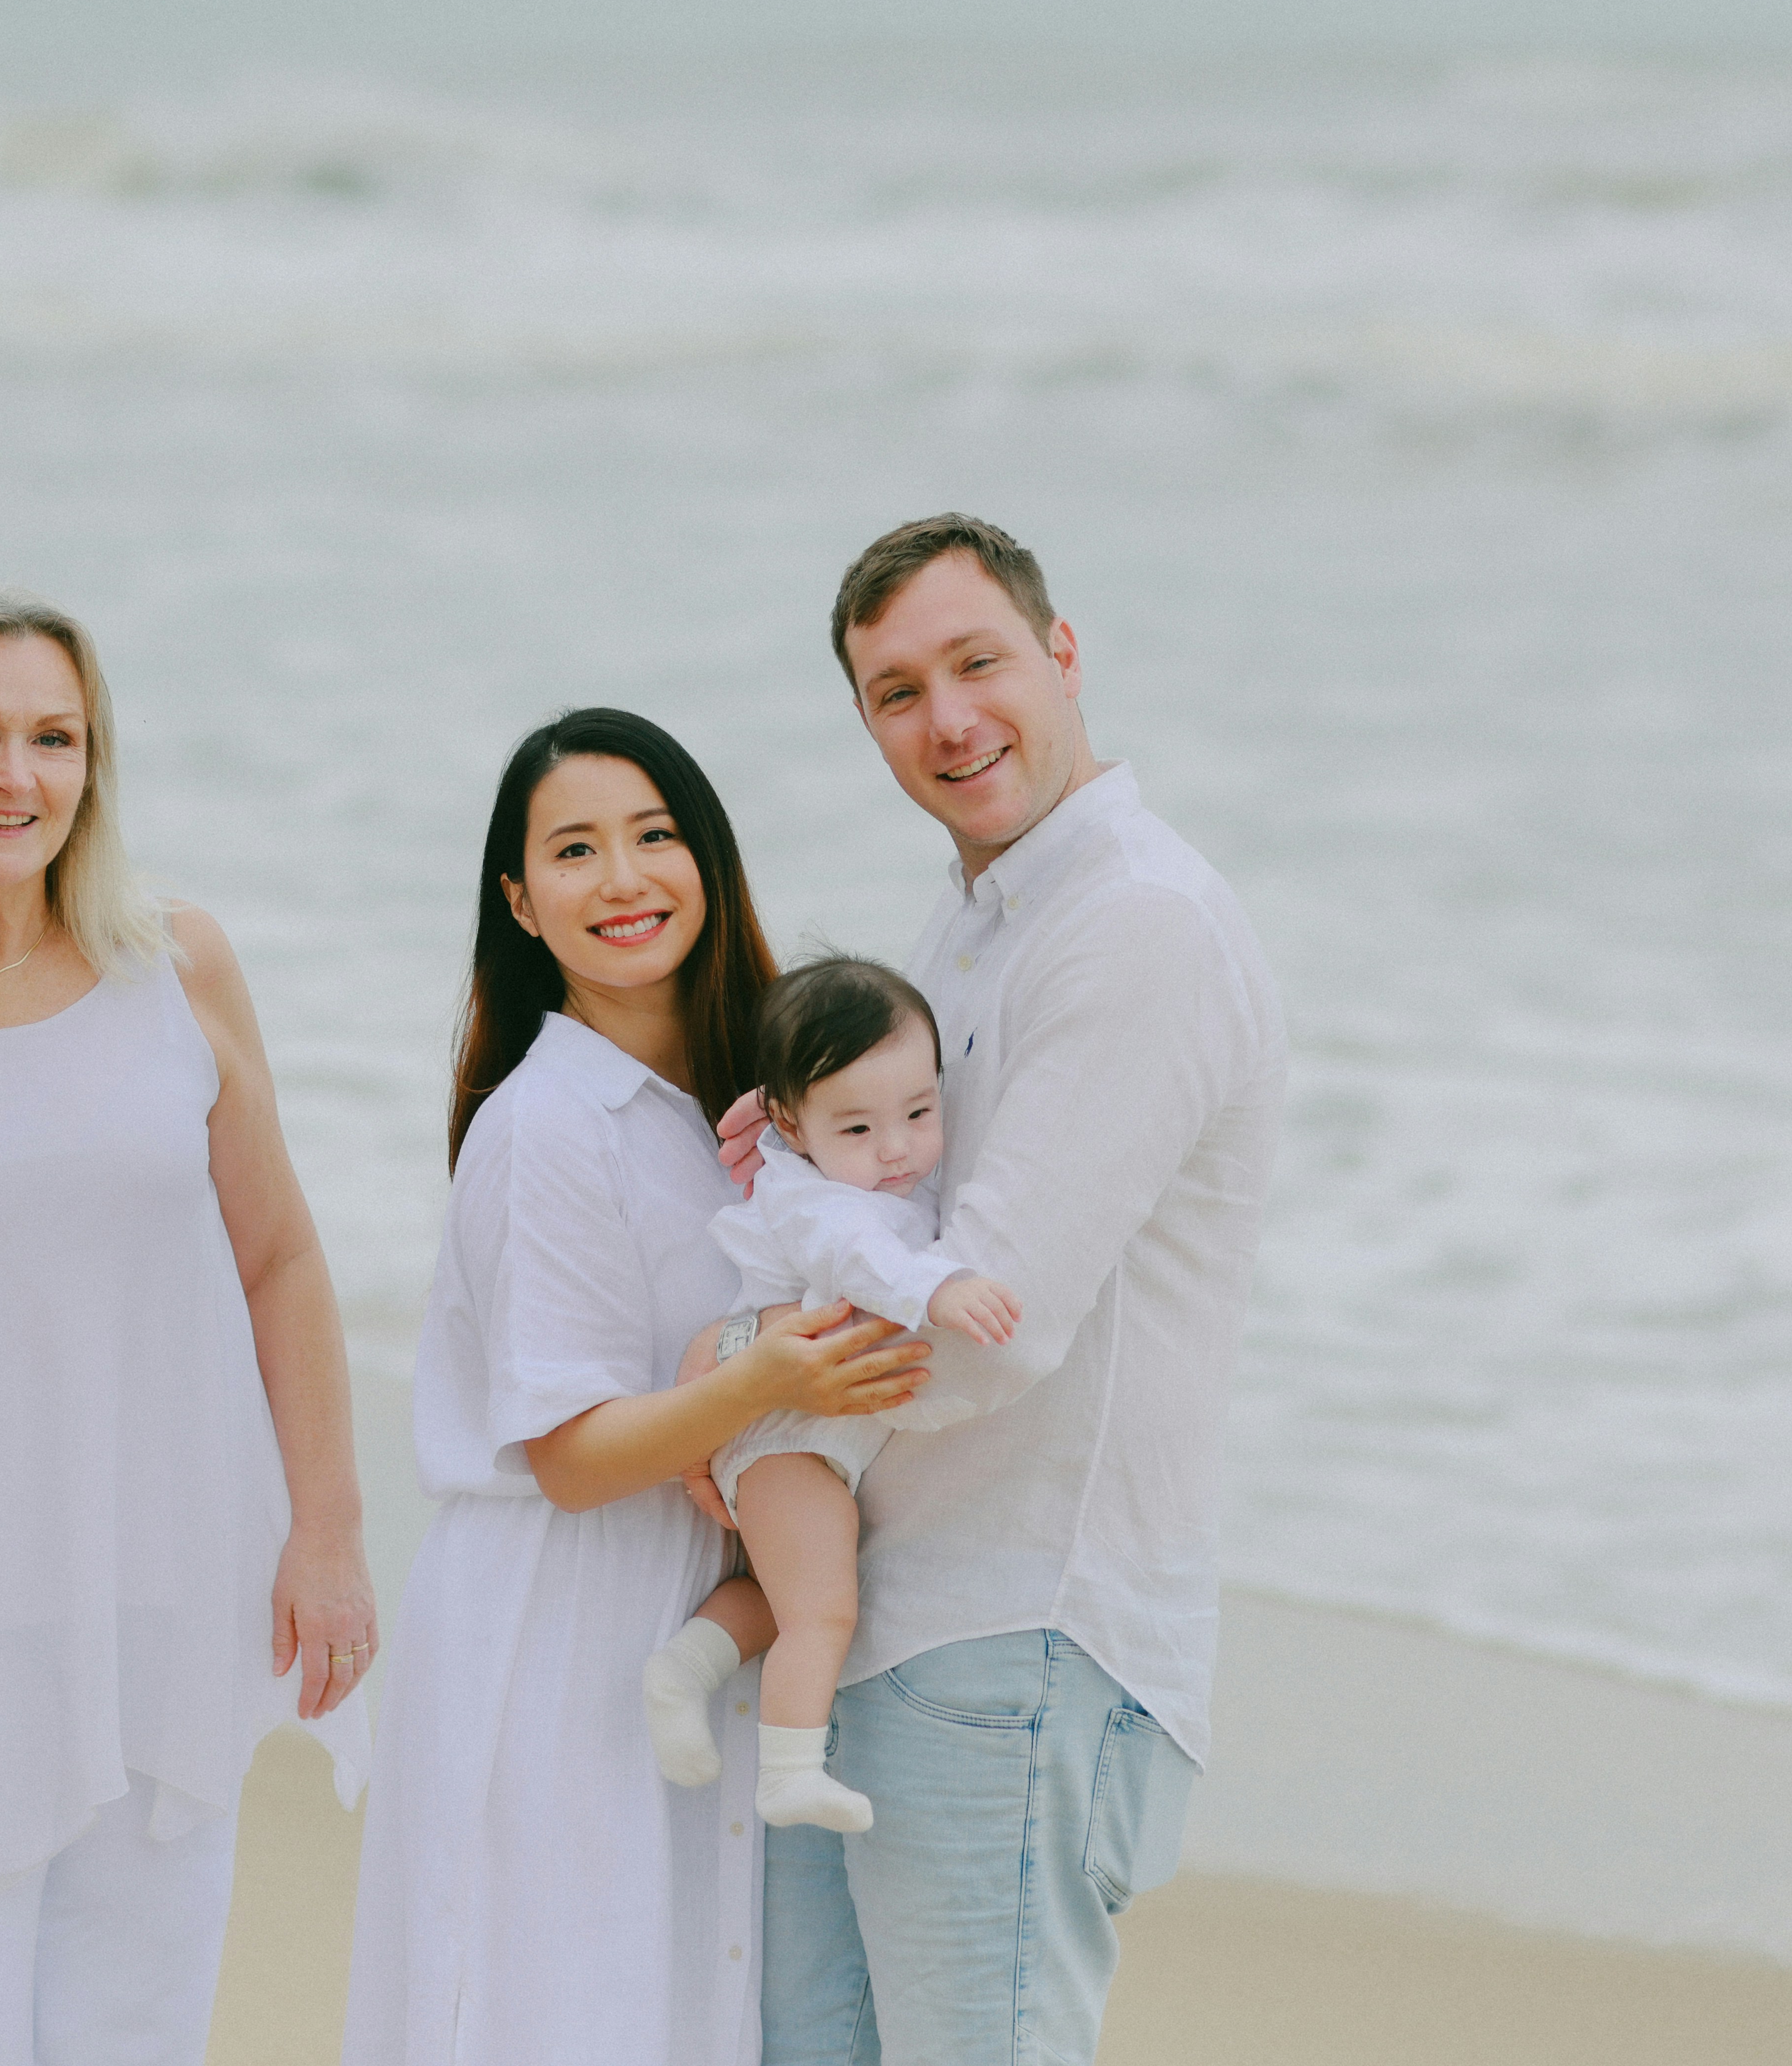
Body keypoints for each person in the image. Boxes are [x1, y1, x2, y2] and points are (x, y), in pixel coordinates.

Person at [0, 592, 378, 2066]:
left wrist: (330, 1534)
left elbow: (282, 1257)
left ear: (93, 768)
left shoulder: (177, 965)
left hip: (162, 1587)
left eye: (54, 738)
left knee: (136, 2028)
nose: (13, 776)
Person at [729, 515, 1286, 2066]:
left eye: (977, 663)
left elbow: (993, 1329)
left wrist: (739, 1399)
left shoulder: (1133, 926)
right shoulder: (979, 922)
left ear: (1062, 655)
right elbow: (893, 1210)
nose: (949, 719)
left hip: (1023, 1632)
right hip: (895, 1620)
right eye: (897, 691)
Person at [341, 709, 931, 2066]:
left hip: (690, 1618)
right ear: (520, 900)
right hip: (555, 1624)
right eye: (576, 851)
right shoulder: (545, 1126)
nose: (624, 880)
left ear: (708, 859)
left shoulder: (757, 1103)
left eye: (656, 837)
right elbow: (568, 1454)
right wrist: (772, 1379)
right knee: (551, 2013)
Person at [642, 958, 1014, 1835]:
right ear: (788, 1123)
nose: (897, 1150)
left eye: (920, 1114)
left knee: (790, 1595)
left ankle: (684, 1669)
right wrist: (942, 1287)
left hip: (808, 1427)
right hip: (781, 1424)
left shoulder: (860, 1170)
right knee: (825, 1607)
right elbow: (859, 1260)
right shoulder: (818, 1203)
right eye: (858, 1128)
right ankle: (789, 1774)